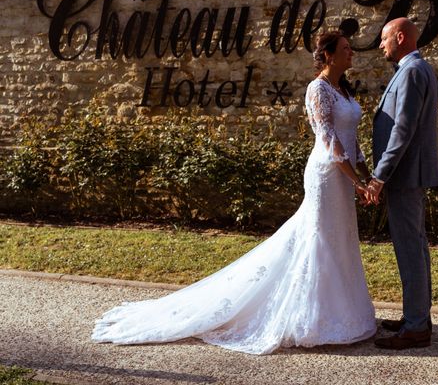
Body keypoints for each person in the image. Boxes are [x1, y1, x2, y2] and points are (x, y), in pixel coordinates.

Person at [91, 31, 377, 354]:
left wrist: (367, 177)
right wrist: (356, 181)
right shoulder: (318, 90)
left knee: (341, 239)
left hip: (345, 177)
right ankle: (312, 319)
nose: (352, 53)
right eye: (345, 49)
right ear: (327, 55)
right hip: (327, 176)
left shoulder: (345, 90)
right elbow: (328, 139)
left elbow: (352, 142)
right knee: (320, 239)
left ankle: (344, 314)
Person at [366, 17, 438, 350]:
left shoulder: (411, 71)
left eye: (384, 39)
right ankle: (417, 317)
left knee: (410, 249)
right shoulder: (415, 69)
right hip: (411, 174)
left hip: (405, 174)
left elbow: (403, 129)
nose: (381, 45)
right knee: (417, 246)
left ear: (400, 37)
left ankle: (415, 327)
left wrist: (379, 175)